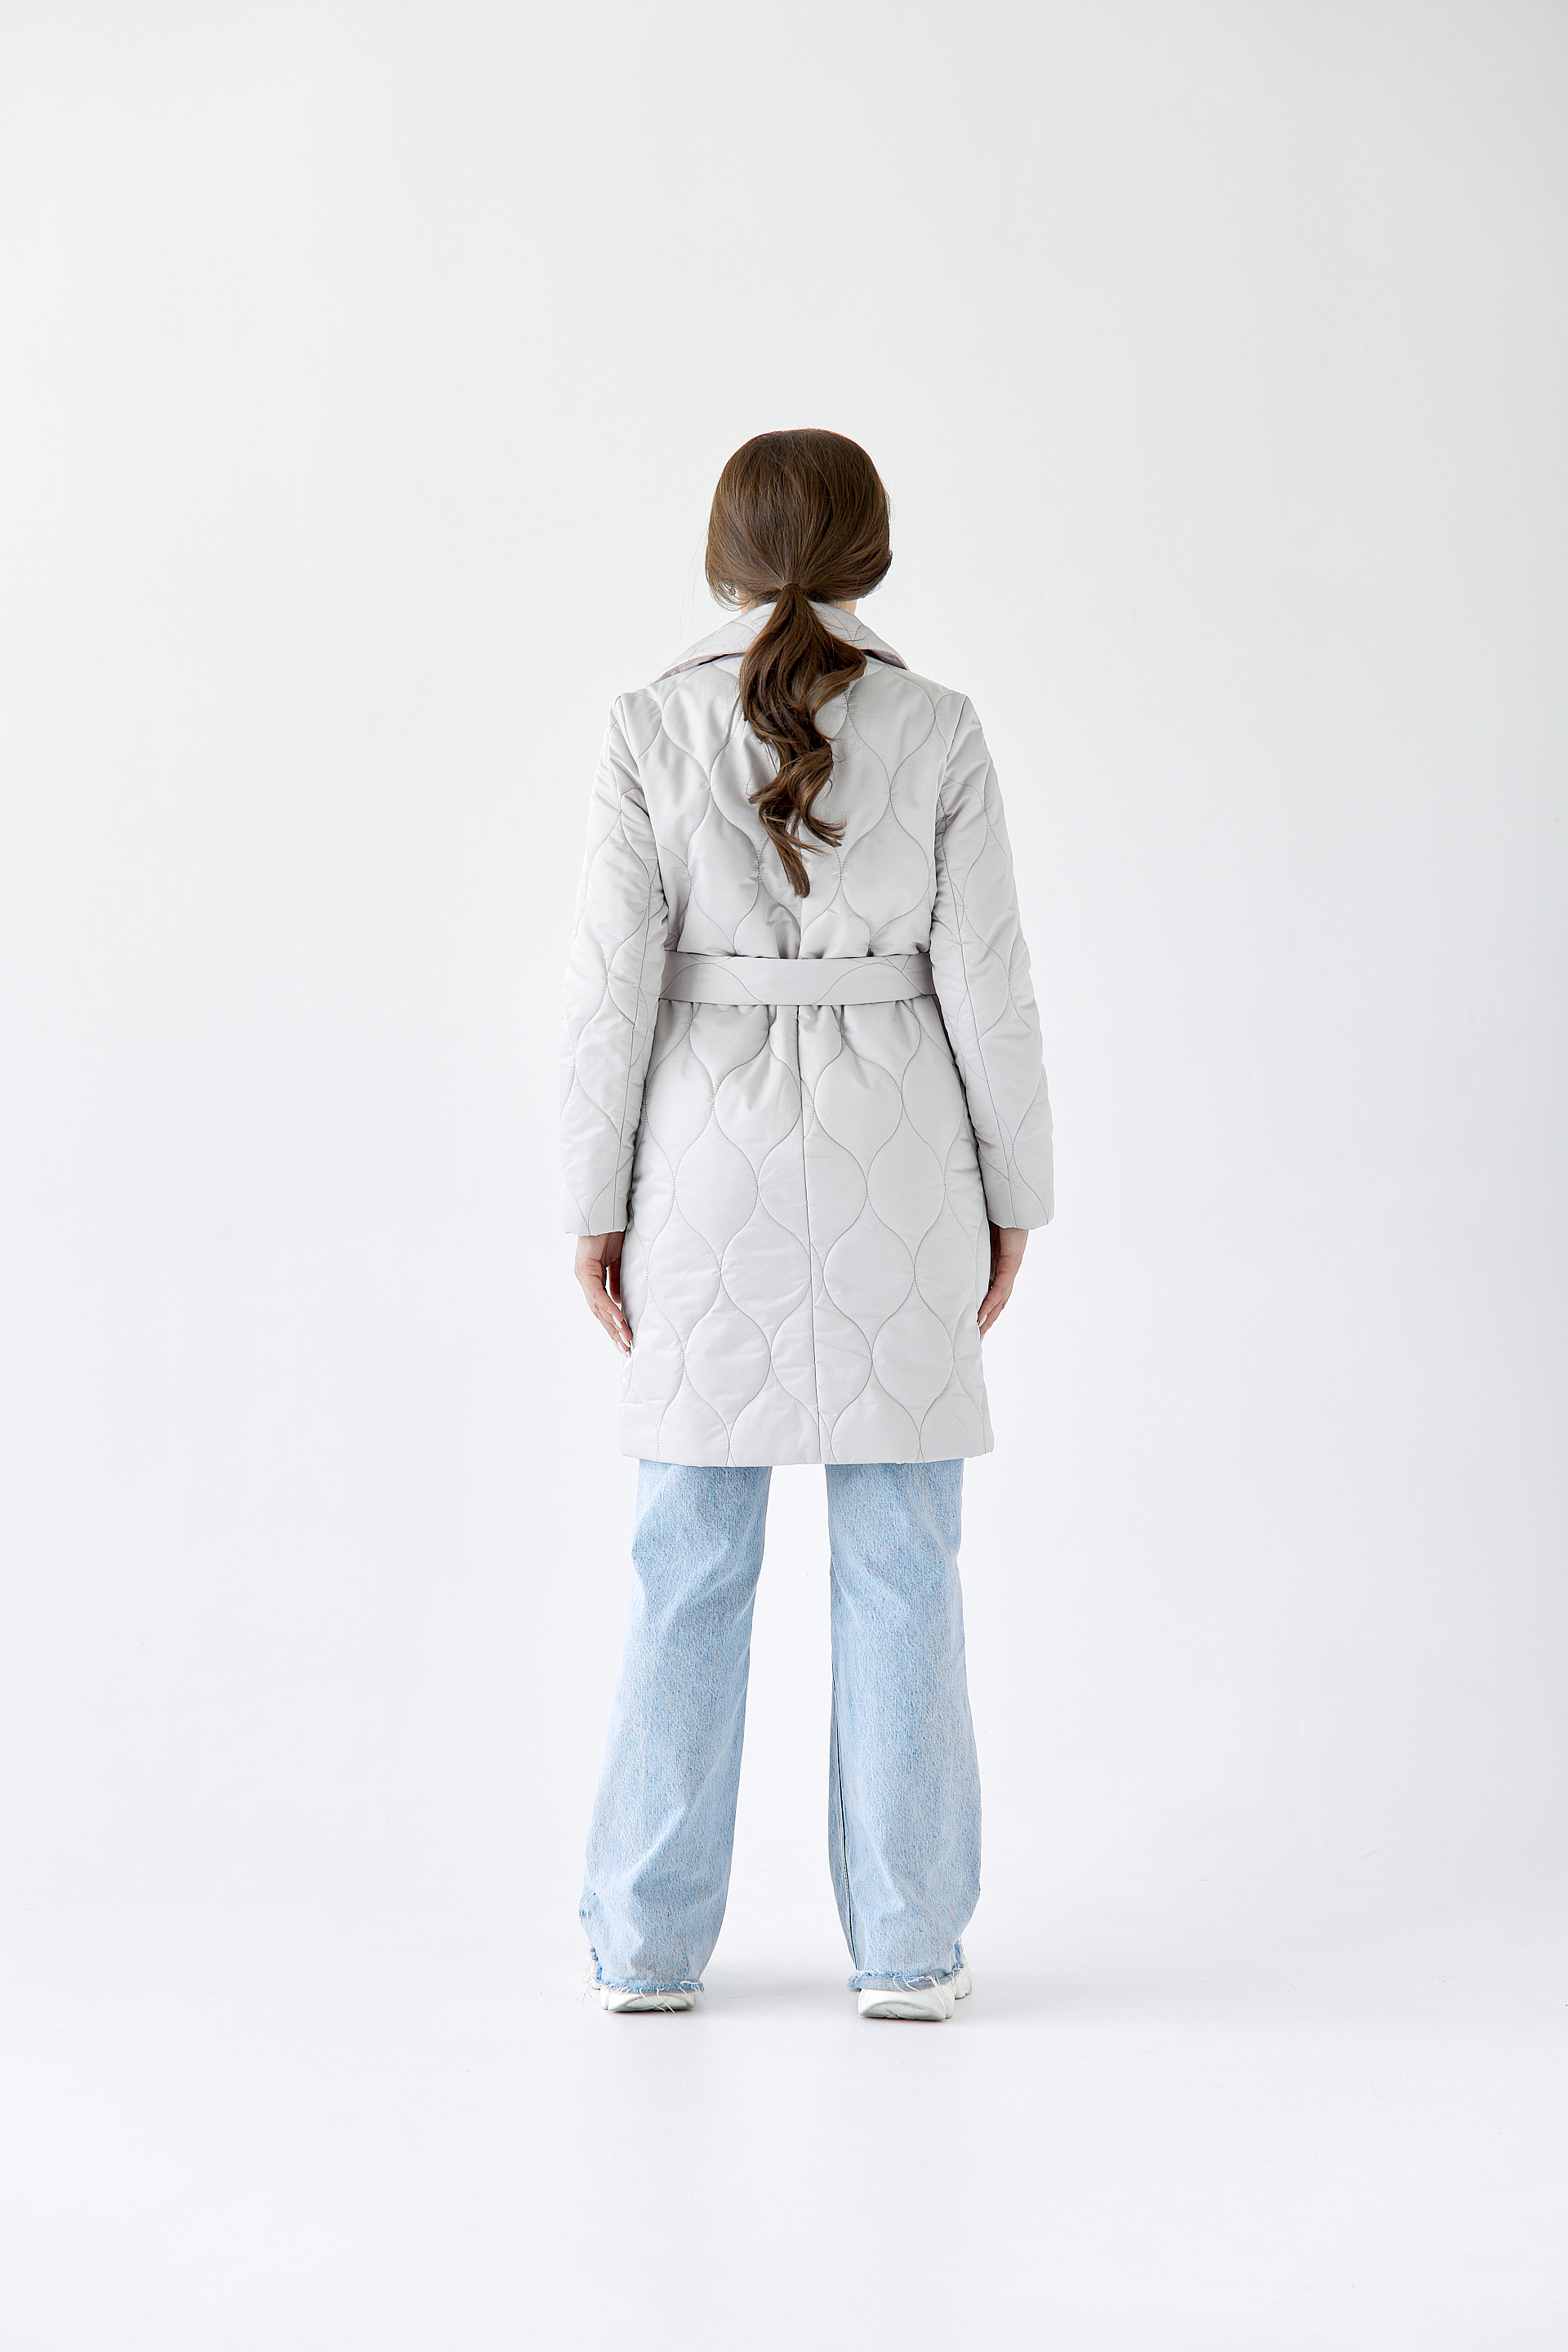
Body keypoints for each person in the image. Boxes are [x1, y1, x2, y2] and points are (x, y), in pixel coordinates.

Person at [560, 429, 1053, 2021]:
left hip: (700, 1158)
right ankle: (907, 1949)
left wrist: (591, 1203)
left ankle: (645, 1948)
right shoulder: (940, 724)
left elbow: (609, 993)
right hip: (899, 1150)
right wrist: (1018, 1194)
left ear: (721, 556)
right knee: (904, 1560)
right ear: (873, 554)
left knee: (686, 1559)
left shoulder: (647, 725)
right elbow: (991, 985)